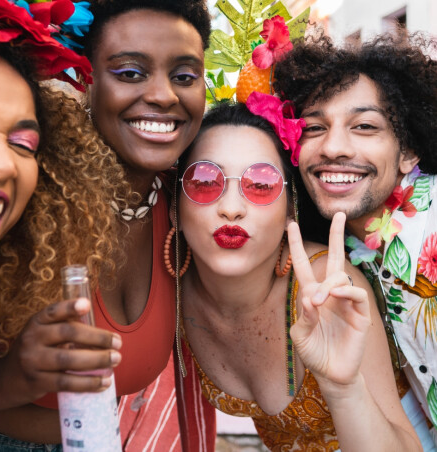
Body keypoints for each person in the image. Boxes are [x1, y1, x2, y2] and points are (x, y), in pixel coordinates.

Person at [0, 0, 212, 451]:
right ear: (86, 81)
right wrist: (10, 376)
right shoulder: (25, 196)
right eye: (130, 72)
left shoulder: (197, 202)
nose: (163, 95)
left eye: (184, 75)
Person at [173, 101, 422, 451]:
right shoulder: (169, 291)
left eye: (260, 184)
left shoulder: (327, 289)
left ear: (291, 206)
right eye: (205, 181)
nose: (231, 206)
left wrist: (343, 387)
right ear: (176, 200)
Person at [274, 34, 437, 446]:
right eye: (314, 127)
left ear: (408, 151)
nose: (333, 147)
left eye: (364, 126)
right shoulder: (345, 254)